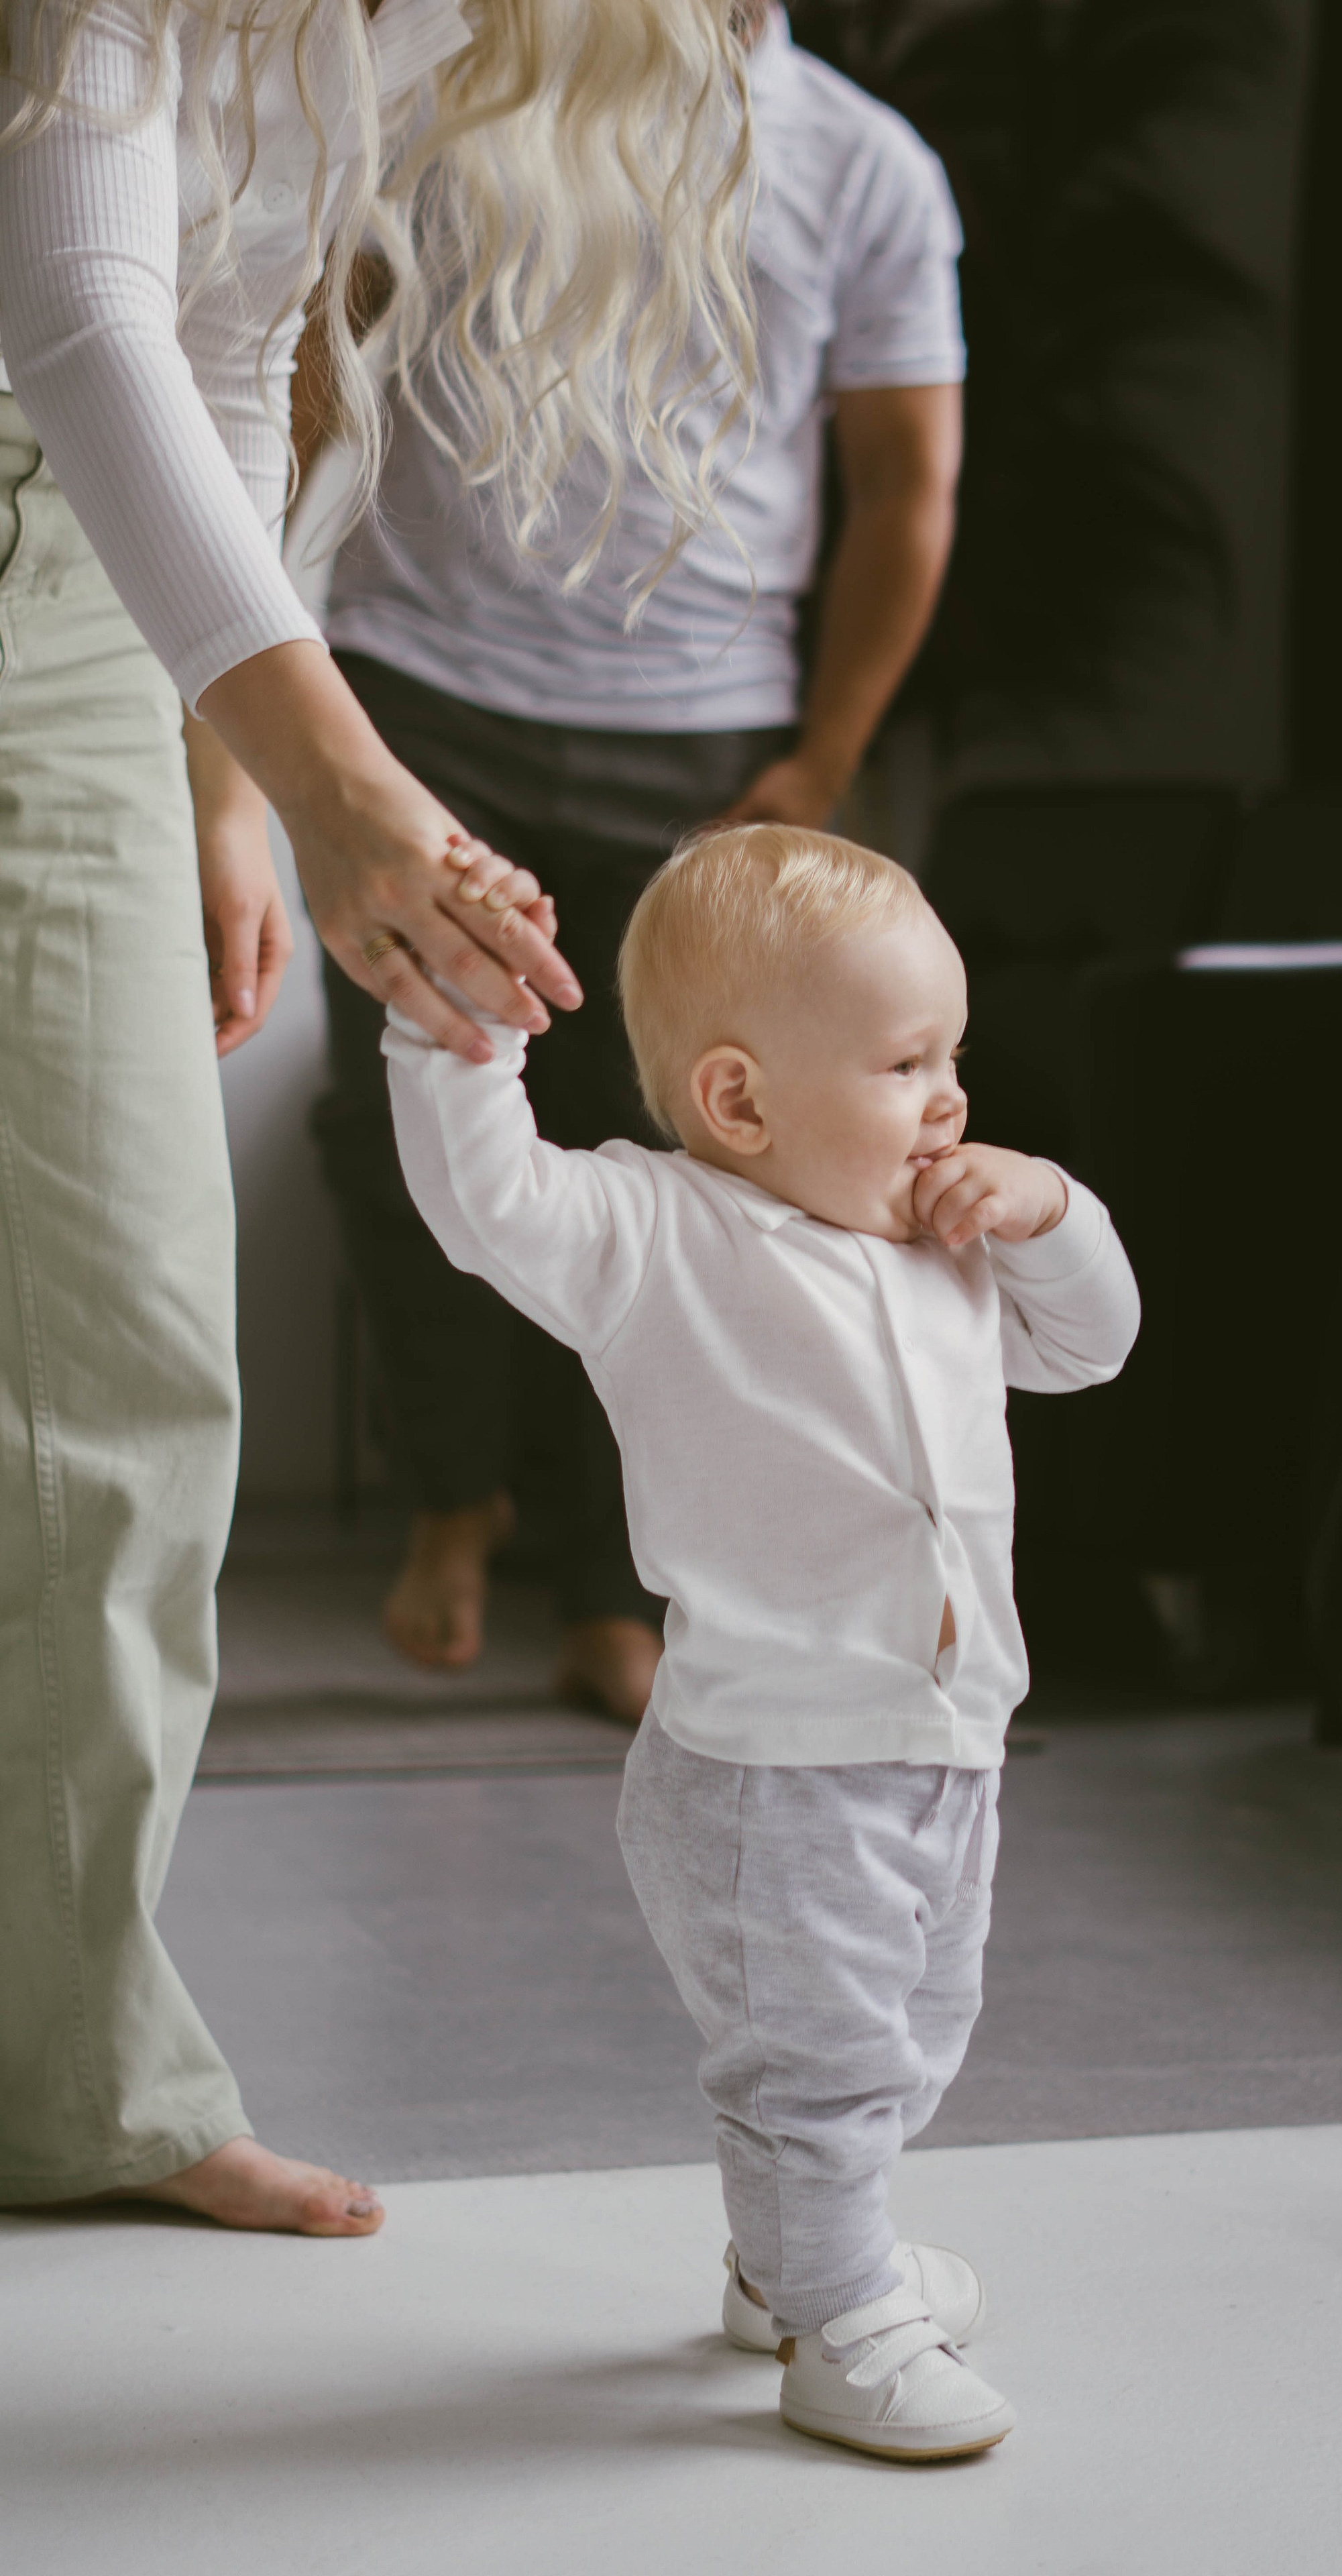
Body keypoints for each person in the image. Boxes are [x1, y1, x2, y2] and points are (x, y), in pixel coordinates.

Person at [0, 0, 751, 2234]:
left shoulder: (462, 14)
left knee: (130, 1363)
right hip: (49, 440)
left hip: (79, 607)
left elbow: (222, 345)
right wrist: (342, 785)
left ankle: (73, 2075)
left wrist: (226, 773)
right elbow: (74, 299)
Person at [383, 823, 1140, 2457]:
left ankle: (792, 2254)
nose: (947, 1098)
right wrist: (462, 1018)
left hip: (944, 1747)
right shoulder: (660, 1239)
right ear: (738, 1103)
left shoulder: (944, 1244)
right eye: (903, 1062)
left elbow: (1089, 1349)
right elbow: (482, 1200)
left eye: (954, 1056)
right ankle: (839, 2322)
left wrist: (1052, 1207)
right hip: (772, 1774)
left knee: (909, 2033)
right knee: (820, 2061)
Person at [304, 0, 964, 1717]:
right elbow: (302, 353)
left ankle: (618, 1590)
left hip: (706, 746)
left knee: (685, 1173)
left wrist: (820, 760)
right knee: (394, 1132)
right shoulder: (441, 80)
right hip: (416, 702)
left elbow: (906, 481)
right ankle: (460, 1496)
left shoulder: (865, 167)